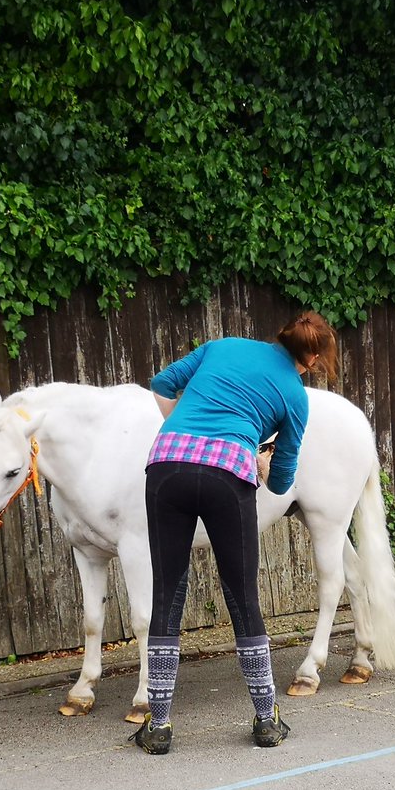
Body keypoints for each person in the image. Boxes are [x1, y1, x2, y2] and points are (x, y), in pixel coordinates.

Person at [132, 311, 339, 754]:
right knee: (242, 596)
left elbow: (162, 384)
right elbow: (283, 481)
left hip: (167, 463)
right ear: (314, 357)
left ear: (281, 334)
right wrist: (262, 463)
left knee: (167, 591)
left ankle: (160, 727)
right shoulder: (296, 396)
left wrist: (183, 427)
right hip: (228, 474)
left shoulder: (221, 346)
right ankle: (267, 720)